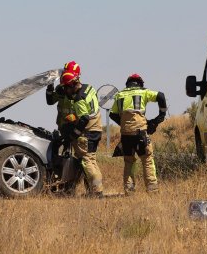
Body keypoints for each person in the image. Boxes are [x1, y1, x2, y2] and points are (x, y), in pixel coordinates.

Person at [109, 73, 167, 193]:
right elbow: (161, 96)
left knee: (129, 161)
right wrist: (160, 116)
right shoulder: (143, 91)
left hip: (125, 135)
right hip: (140, 133)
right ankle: (152, 190)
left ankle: (129, 190)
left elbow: (112, 114)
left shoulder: (119, 95)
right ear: (140, 83)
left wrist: (124, 124)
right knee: (147, 160)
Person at [60, 70, 104, 198]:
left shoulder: (78, 99)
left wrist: (75, 133)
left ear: (72, 85)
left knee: (87, 162)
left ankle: (97, 192)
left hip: (88, 132)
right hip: (97, 129)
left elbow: (84, 118)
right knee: (92, 160)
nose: (66, 91)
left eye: (66, 88)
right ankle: (95, 190)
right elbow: (89, 111)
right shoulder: (88, 88)